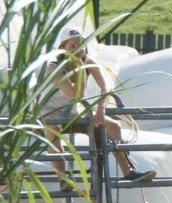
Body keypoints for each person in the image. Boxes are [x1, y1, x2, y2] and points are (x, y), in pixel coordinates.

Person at [41, 26, 155, 188]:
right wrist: (80, 70)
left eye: (81, 45)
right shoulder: (54, 66)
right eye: (73, 46)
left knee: (114, 126)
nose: (78, 50)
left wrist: (101, 109)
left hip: (73, 110)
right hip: (51, 110)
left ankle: (128, 172)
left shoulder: (88, 61)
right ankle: (63, 180)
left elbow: (106, 86)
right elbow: (75, 94)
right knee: (53, 133)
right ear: (63, 48)